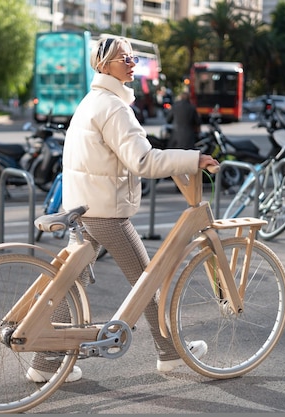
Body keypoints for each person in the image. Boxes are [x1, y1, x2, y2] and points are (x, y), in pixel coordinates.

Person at [26, 37, 219, 383]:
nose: (132, 64)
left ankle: (44, 363)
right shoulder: (114, 108)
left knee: (74, 285)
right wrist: (194, 158)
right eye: (123, 59)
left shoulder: (92, 101)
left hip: (82, 207)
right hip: (105, 213)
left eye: (133, 58)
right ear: (104, 66)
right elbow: (142, 160)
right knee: (147, 281)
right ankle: (171, 353)